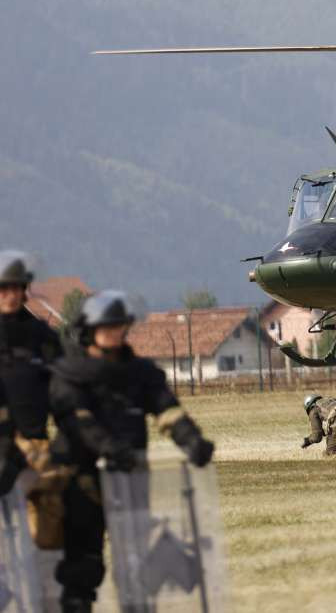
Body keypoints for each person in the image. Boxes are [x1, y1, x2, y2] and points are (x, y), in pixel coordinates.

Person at [48, 290, 214, 613]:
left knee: (136, 561)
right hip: (81, 481)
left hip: (131, 477)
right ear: (88, 331)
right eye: (105, 327)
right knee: (82, 564)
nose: (114, 333)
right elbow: (78, 422)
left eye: (118, 326)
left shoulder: (140, 372)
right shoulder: (68, 374)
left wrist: (192, 440)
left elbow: (167, 410)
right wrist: (110, 448)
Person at [0, 251, 67, 549]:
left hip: (36, 448)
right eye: (3, 289)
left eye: (16, 288)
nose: (10, 295)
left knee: (48, 537)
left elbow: (65, 386)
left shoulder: (41, 336)